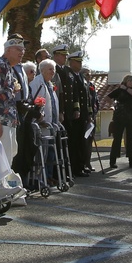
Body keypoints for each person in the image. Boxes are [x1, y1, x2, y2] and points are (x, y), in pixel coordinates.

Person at [54, 45, 89, 177]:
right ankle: (64, 172)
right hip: (61, 111)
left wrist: (76, 108)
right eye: (62, 55)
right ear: (56, 55)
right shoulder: (54, 69)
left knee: (72, 143)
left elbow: (74, 93)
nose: (64, 57)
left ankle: (73, 169)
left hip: (69, 113)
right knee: (64, 144)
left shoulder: (69, 72)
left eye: (65, 55)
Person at [108, 74, 132, 169]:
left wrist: (126, 89)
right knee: (117, 139)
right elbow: (108, 98)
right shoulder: (119, 91)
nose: (131, 83)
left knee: (131, 139)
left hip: (131, 117)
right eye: (129, 81)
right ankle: (112, 161)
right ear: (125, 81)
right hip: (119, 117)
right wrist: (113, 104)